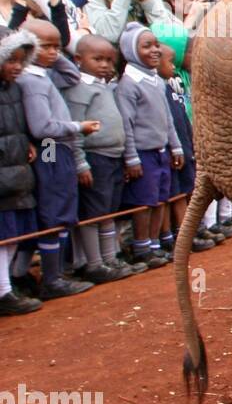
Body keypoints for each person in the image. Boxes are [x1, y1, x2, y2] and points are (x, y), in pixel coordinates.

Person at [16, 18, 99, 298]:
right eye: (46, 46)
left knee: (62, 203)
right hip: (50, 146)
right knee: (55, 204)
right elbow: (43, 128)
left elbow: (72, 76)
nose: (53, 52)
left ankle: (52, 274)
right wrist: (79, 127)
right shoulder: (32, 80)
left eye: (57, 46)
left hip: (57, 144)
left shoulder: (43, 73)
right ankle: (53, 278)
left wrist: (57, 50)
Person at [63, 34, 142, 280]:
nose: (105, 65)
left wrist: (128, 156)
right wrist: (80, 163)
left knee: (109, 210)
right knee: (94, 213)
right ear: (78, 59)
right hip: (94, 157)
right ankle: (94, 264)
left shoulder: (106, 86)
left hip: (114, 157)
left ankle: (111, 258)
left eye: (109, 60)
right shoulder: (78, 88)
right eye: (98, 59)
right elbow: (72, 128)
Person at [115, 23, 184, 267]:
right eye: (147, 46)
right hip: (142, 153)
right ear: (131, 51)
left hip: (161, 150)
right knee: (144, 201)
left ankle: (155, 244)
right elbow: (127, 124)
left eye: (156, 45)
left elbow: (167, 119)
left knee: (160, 198)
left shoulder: (156, 81)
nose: (155, 50)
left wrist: (175, 146)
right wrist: (131, 157)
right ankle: (142, 246)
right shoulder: (128, 84)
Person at [0, 29, 42, 314]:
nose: (17, 66)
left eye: (21, 60)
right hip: (12, 172)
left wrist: (27, 142)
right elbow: (47, 130)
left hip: (22, 169)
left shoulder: (19, 85)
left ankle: (12, 283)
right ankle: (6, 291)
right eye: (10, 60)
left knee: (16, 233)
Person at [158, 43, 213, 254]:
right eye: (169, 62)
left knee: (187, 190)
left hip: (184, 145)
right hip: (165, 150)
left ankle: (192, 231)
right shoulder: (153, 87)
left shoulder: (170, 85)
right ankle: (167, 240)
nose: (172, 66)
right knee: (169, 195)